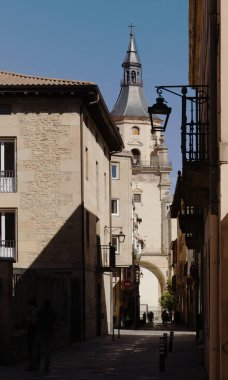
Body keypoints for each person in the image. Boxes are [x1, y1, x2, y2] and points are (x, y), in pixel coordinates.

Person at [32, 298, 56, 372]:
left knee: (36, 350)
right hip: (49, 333)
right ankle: (47, 367)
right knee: (48, 351)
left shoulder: (40, 312)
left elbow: (35, 322)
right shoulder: (52, 312)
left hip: (40, 332)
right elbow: (55, 323)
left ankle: (35, 366)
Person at [25, 298, 39, 370]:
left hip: (33, 333)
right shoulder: (32, 311)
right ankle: (33, 364)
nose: (28, 307)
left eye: (29, 305)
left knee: (33, 350)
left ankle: (33, 365)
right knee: (32, 350)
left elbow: (34, 322)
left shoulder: (35, 311)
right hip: (31, 332)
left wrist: (29, 318)